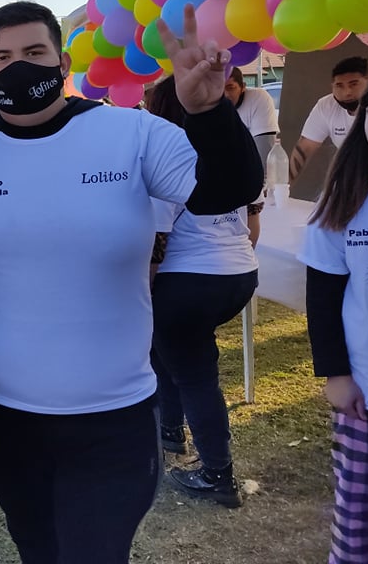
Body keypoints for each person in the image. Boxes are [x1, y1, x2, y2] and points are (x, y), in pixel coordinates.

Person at [0, 1, 263, 563]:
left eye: (34, 52)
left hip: (112, 414)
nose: (17, 66)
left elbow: (227, 191)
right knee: (36, 548)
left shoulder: (131, 132)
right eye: (1, 57)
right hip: (4, 415)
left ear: (63, 63)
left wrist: (209, 111)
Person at [146, 76, 259, 508]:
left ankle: (217, 473)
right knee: (169, 351)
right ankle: (170, 431)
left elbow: (156, 243)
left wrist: (141, 295)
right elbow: (253, 220)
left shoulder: (167, 156)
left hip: (188, 279)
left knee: (193, 373)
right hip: (239, 272)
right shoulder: (230, 151)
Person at [299, 71, 368, 563]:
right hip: (367, 397)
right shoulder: (345, 197)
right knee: (356, 528)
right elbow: (323, 295)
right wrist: (336, 374)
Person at [290, 56, 368, 184]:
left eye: (354, 84)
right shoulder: (326, 106)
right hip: (352, 180)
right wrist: (280, 186)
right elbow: (304, 148)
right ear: (332, 87)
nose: (347, 92)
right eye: (339, 86)